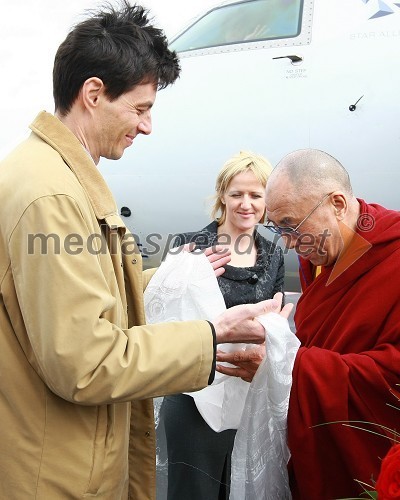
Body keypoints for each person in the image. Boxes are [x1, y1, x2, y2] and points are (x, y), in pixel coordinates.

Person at [0, 3, 283, 499]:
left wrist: (168, 277)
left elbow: (74, 296)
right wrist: (209, 339)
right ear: (93, 94)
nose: (147, 126)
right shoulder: (54, 197)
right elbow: (85, 363)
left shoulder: (52, 176)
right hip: (58, 476)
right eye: (141, 108)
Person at [216, 149, 400, 499]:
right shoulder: (320, 256)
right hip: (319, 438)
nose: (285, 242)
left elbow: (392, 377)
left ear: (338, 204)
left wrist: (287, 368)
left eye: (291, 226)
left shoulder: (392, 258)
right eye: (276, 227)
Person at [161, 151, 286, 500]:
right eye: (236, 194)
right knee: (195, 491)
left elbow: (275, 316)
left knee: (240, 488)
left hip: (247, 392)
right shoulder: (191, 247)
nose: (245, 204)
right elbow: (169, 315)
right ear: (222, 197)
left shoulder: (273, 252)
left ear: (266, 201)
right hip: (196, 391)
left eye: (255, 195)